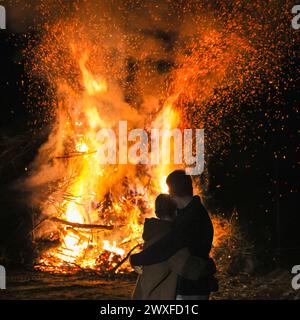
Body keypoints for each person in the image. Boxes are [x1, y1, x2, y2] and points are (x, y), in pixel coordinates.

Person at [130, 170, 218, 300]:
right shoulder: (189, 212)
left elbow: (167, 247)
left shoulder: (192, 218)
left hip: (190, 289)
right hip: (190, 285)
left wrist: (136, 259)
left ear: (172, 193)